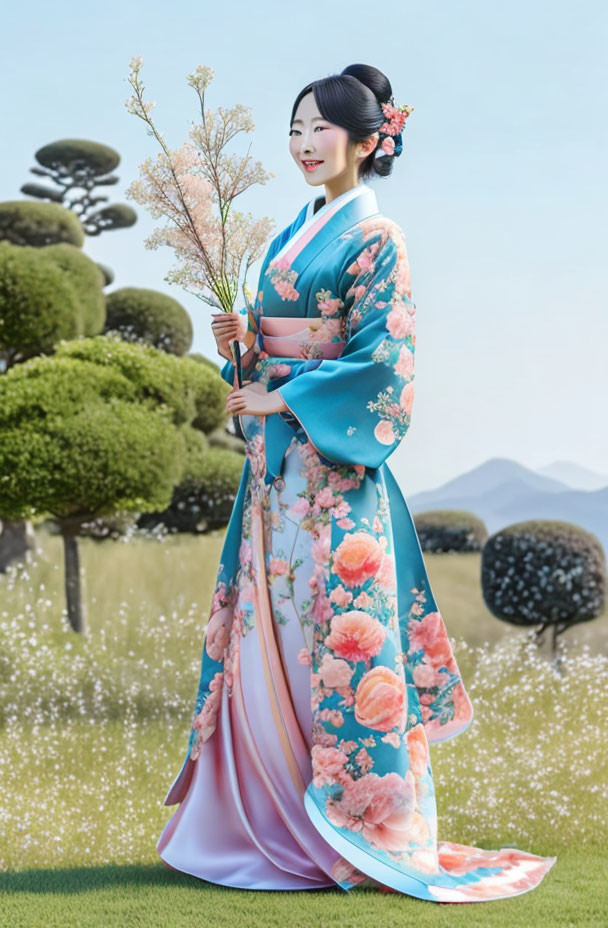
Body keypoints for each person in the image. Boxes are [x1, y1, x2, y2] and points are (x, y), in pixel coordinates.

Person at [156, 63, 557, 902]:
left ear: (369, 141)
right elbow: (274, 354)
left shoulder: (381, 239)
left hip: (336, 478)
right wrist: (244, 347)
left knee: (339, 640)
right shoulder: (288, 234)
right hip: (275, 477)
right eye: (295, 129)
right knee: (269, 638)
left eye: (321, 130)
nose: (304, 145)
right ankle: (260, 828)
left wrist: (283, 389)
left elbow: (385, 362)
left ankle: (352, 829)